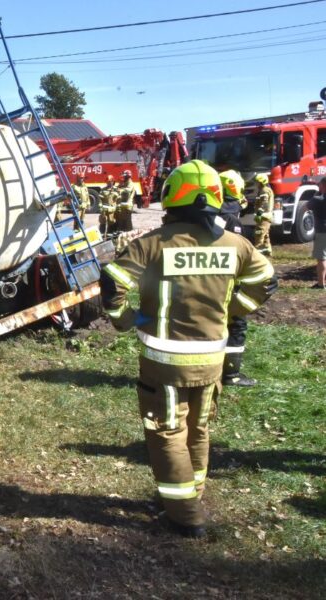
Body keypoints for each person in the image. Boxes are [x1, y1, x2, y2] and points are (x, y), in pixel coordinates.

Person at [100, 160, 276, 538]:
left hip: (164, 363)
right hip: (211, 359)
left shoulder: (153, 244)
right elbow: (266, 281)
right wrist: (232, 311)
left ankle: (184, 516)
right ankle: (191, 495)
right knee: (198, 429)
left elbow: (113, 282)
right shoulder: (235, 243)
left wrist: (124, 319)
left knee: (166, 432)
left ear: (172, 196)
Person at [218, 170, 256, 386]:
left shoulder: (209, 214)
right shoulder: (233, 219)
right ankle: (231, 374)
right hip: (231, 282)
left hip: (210, 280)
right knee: (236, 325)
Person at [252, 172, 274, 255]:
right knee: (265, 234)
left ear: (261, 182)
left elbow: (264, 203)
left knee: (259, 233)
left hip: (264, 216)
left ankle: (257, 251)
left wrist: (259, 214)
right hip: (265, 216)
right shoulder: (263, 190)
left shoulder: (264, 190)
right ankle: (267, 248)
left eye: (257, 182)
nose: (256, 184)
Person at [311, 177, 326, 289]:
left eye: (320, 184)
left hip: (322, 231)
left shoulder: (317, 199)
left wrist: (317, 194)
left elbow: (306, 206)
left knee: (321, 258)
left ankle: (321, 284)